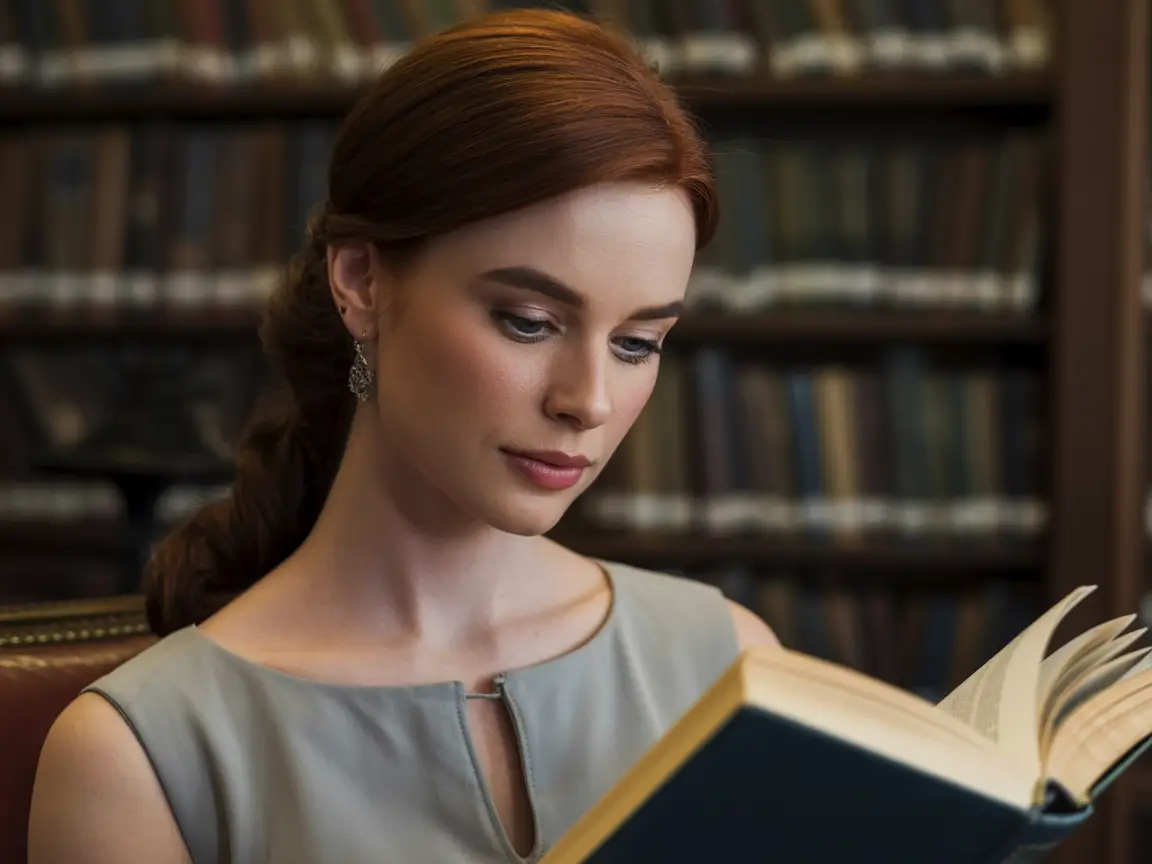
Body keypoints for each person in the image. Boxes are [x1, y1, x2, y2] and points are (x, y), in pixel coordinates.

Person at [28, 9, 779, 864]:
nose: (590, 401)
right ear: (361, 281)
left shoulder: (730, 668)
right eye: (529, 321)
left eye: (637, 343)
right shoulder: (142, 755)